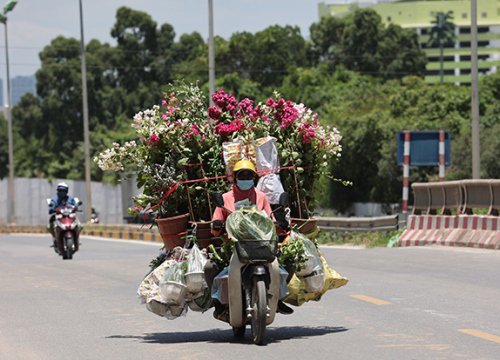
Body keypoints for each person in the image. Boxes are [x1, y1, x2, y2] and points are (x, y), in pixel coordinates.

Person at [208, 159, 294, 316]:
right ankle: (218, 303)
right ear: (234, 178)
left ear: (254, 178)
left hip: (261, 244)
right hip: (235, 245)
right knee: (210, 268)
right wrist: (217, 224)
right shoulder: (226, 198)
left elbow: (270, 219)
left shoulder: (261, 197)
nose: (246, 178)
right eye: (242, 175)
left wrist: (280, 223)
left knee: (288, 264)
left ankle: (278, 299)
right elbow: (217, 219)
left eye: (249, 175)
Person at [47, 182, 78, 248]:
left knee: (80, 225)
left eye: (63, 191)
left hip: (69, 216)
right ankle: (55, 237)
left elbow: (75, 205)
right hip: (58, 216)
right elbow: (51, 206)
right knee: (49, 226)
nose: (61, 192)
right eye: (60, 190)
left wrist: (76, 207)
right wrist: (52, 208)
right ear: (57, 191)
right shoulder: (55, 199)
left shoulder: (70, 199)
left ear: (66, 191)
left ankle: (76, 238)